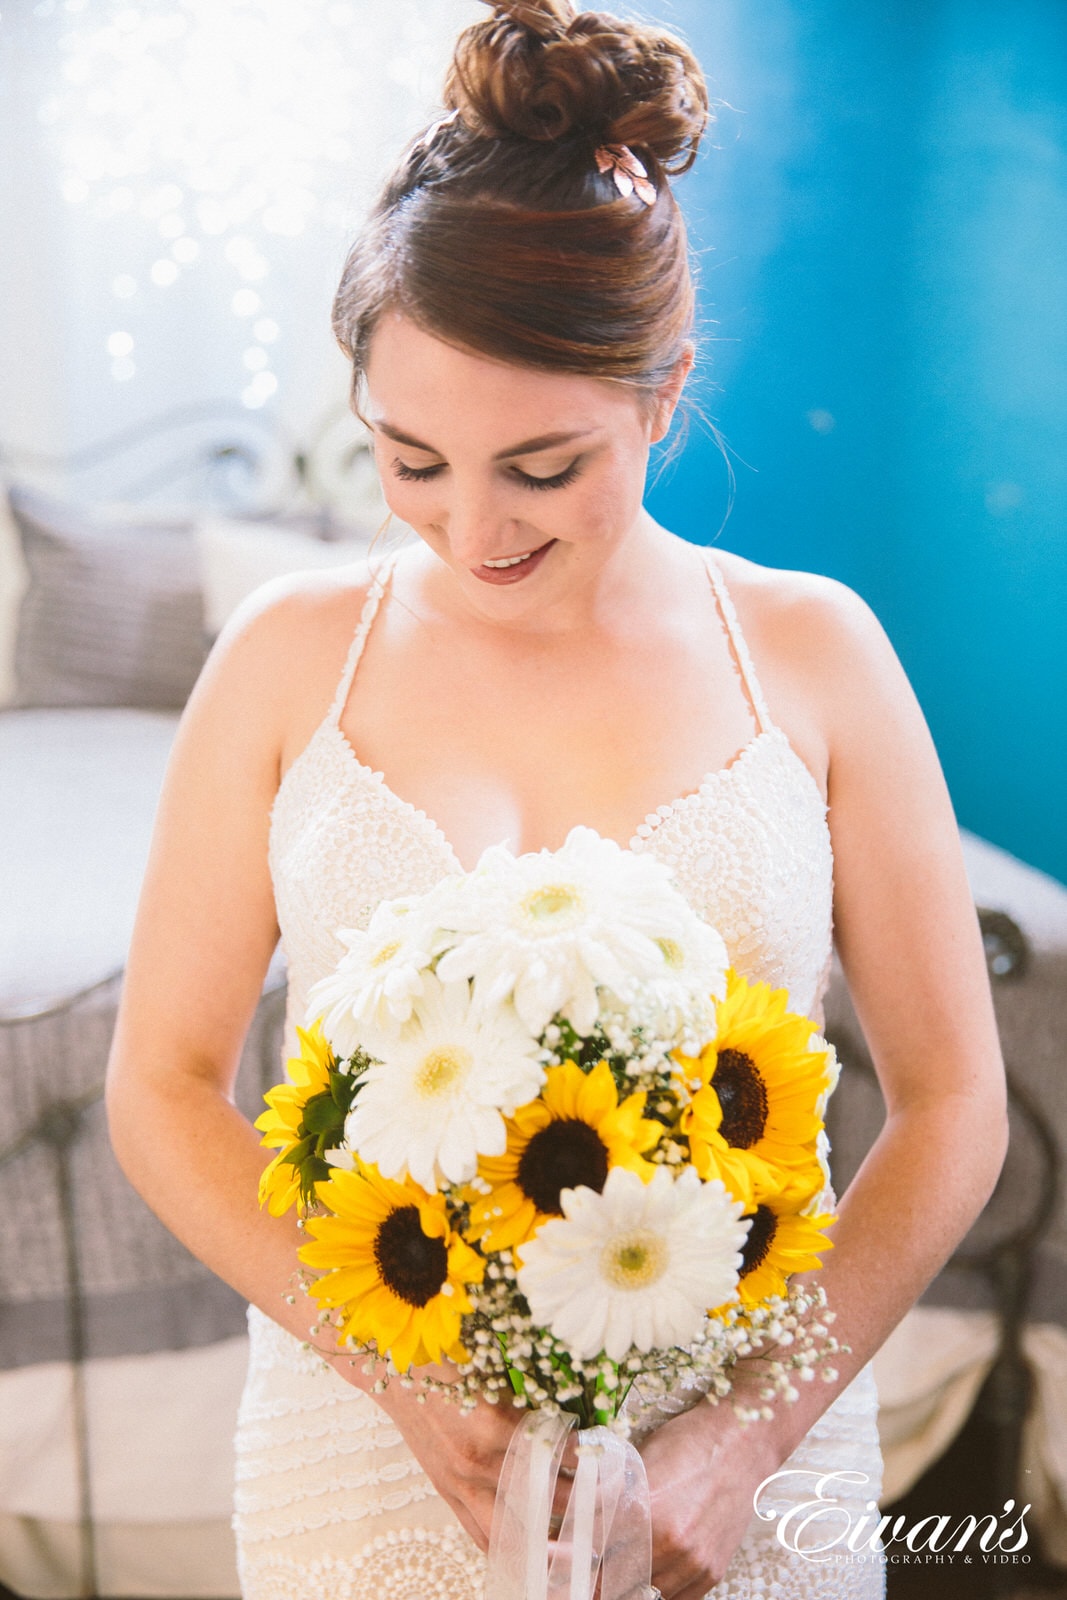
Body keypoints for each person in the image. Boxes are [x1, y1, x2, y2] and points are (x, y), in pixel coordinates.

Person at [106, 2, 1008, 1596]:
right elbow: (163, 1085)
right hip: (365, 1444)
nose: (472, 531)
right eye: (409, 461)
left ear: (661, 395)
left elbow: (952, 1107)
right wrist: (391, 1372)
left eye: (542, 467)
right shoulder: (283, 658)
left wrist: (740, 1446)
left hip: (751, 1447)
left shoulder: (811, 650)